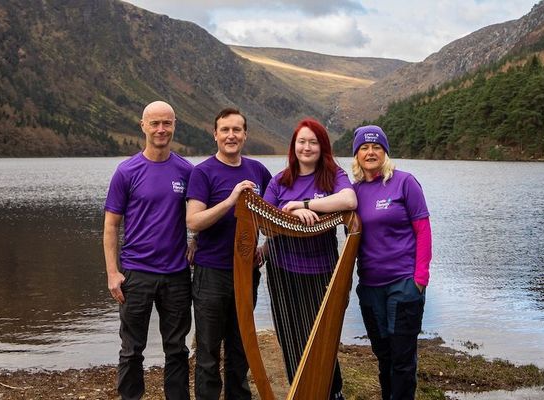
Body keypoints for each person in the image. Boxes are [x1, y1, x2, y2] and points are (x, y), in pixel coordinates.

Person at [103, 101, 193, 400]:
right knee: (131, 350)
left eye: (166, 123)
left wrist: (196, 243)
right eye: (154, 123)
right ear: (143, 126)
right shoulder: (126, 171)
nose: (160, 129)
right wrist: (113, 273)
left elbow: (198, 216)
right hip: (136, 274)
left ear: (174, 124)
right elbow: (111, 226)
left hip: (177, 275)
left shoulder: (186, 170)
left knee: (177, 349)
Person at [262, 118, 357, 400]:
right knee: (290, 337)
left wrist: (306, 205)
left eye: (313, 142)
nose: (306, 147)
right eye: (301, 142)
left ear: (322, 146)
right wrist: (289, 215)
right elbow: (264, 225)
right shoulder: (279, 180)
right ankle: (300, 391)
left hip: (323, 270)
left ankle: (332, 392)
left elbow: (349, 200)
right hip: (283, 270)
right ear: (294, 146)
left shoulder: (332, 175)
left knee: (323, 338)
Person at [185, 107, 272, 400]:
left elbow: (274, 216)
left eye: (237, 130)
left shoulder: (259, 171)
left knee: (241, 346)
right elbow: (193, 221)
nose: (231, 136)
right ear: (215, 134)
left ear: (245, 135)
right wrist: (231, 200)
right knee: (208, 350)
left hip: (247, 273)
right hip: (211, 273)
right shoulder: (203, 172)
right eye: (225, 130)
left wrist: (267, 247)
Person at [351, 125, 432, 400]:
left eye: (376, 147)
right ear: (357, 155)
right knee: (384, 357)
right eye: (364, 147)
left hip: (403, 286)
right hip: (370, 289)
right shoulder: (354, 192)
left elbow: (423, 229)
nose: (370, 152)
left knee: (402, 360)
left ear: (385, 152)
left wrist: (420, 279)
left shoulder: (404, 182)